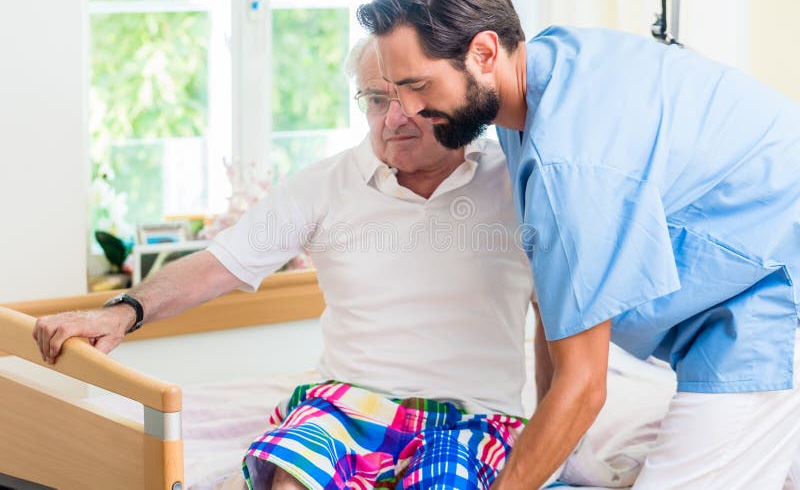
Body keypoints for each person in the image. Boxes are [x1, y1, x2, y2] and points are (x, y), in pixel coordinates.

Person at [357, 0, 800, 488]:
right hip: (733, 292)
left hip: (771, 296)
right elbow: (557, 296)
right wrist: (561, 452)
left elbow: (585, 385)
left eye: (418, 86)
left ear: (483, 52)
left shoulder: (569, 164)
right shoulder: (540, 77)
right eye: (392, 90)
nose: (404, 111)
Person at [33, 38, 534, 490]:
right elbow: (217, 264)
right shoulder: (326, 184)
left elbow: (563, 313)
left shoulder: (513, 180)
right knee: (291, 477)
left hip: (473, 417)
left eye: (407, 96)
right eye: (376, 100)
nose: (392, 117)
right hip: (346, 405)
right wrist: (124, 310)